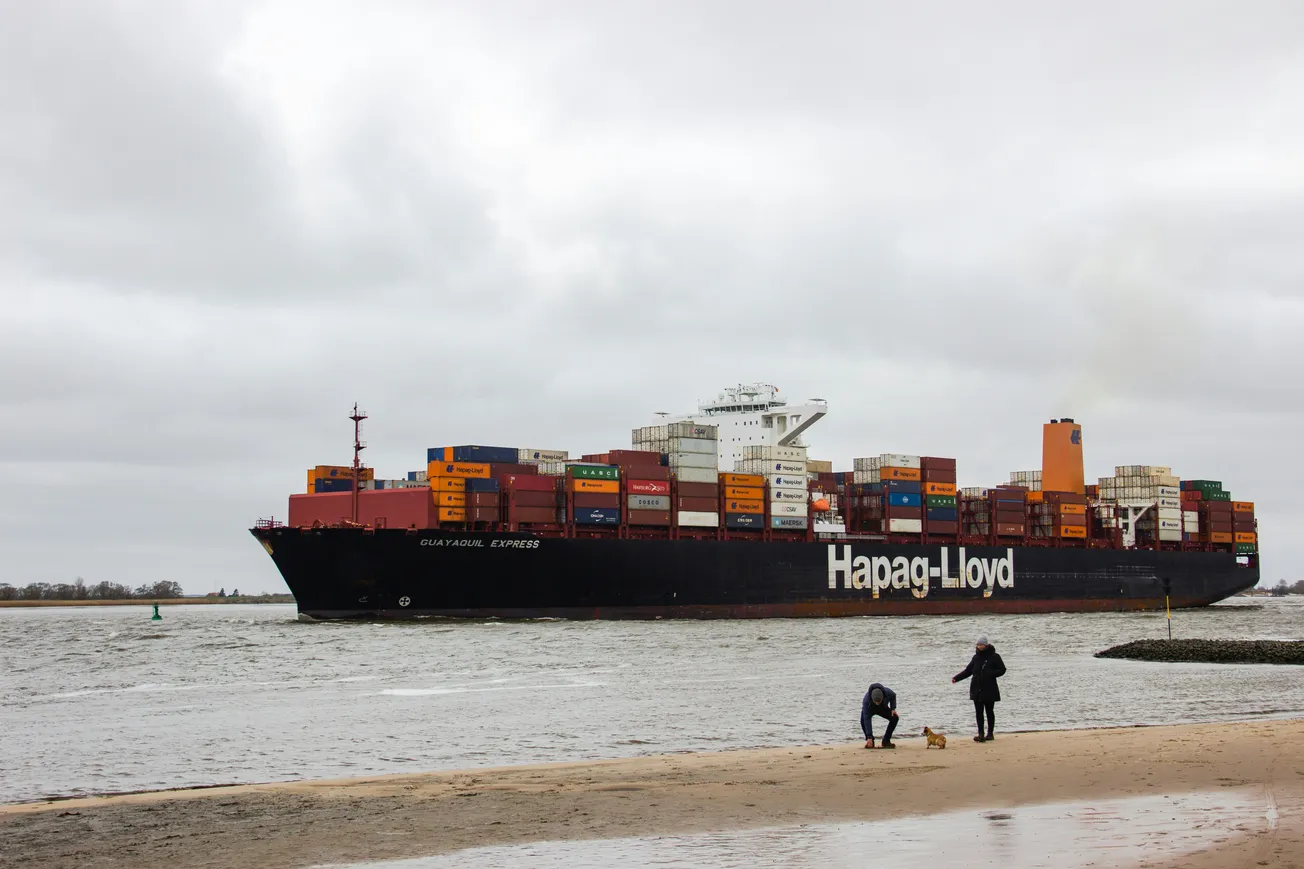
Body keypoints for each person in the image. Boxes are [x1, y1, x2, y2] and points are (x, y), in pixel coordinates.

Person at [953, 635, 1006, 742]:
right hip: (976, 688)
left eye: (981, 644)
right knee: (978, 712)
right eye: (977, 644)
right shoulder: (975, 657)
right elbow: (968, 671)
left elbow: (1002, 670)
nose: (979, 646)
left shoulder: (995, 656)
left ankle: (990, 733)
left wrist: (989, 673)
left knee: (989, 711)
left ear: (986, 645)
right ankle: (980, 734)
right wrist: (956, 678)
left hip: (989, 688)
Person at [860, 682, 898, 749]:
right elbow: (867, 719)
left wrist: (893, 708)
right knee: (863, 721)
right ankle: (870, 741)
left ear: (882, 697)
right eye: (876, 702)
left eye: (879, 702)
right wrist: (869, 736)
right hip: (870, 709)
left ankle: (886, 740)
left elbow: (893, 696)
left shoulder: (887, 692)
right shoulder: (866, 701)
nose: (877, 703)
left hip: (882, 708)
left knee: (895, 718)